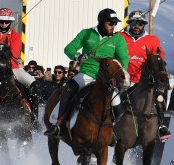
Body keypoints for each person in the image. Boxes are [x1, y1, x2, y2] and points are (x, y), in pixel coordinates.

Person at [44, 8, 129, 137]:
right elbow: (69, 48)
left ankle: (114, 133)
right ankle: (59, 125)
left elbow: (124, 60)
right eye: (110, 23)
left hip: (106, 80)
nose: (113, 26)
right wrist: (77, 56)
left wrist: (118, 73)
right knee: (69, 89)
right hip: (86, 74)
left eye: (115, 23)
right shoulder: (86, 33)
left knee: (117, 103)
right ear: (101, 22)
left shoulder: (118, 39)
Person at [0, 7, 35, 93]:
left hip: (12, 69)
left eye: (7, 22)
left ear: (10, 22)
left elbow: (13, 54)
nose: (4, 24)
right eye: (1, 21)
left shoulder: (16, 36)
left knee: (34, 85)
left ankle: (34, 107)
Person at [120, 10, 165, 84]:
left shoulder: (153, 40)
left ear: (144, 24)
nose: (136, 26)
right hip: (122, 80)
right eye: (134, 23)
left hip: (144, 82)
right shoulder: (120, 37)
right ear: (129, 24)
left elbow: (160, 57)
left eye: (140, 23)